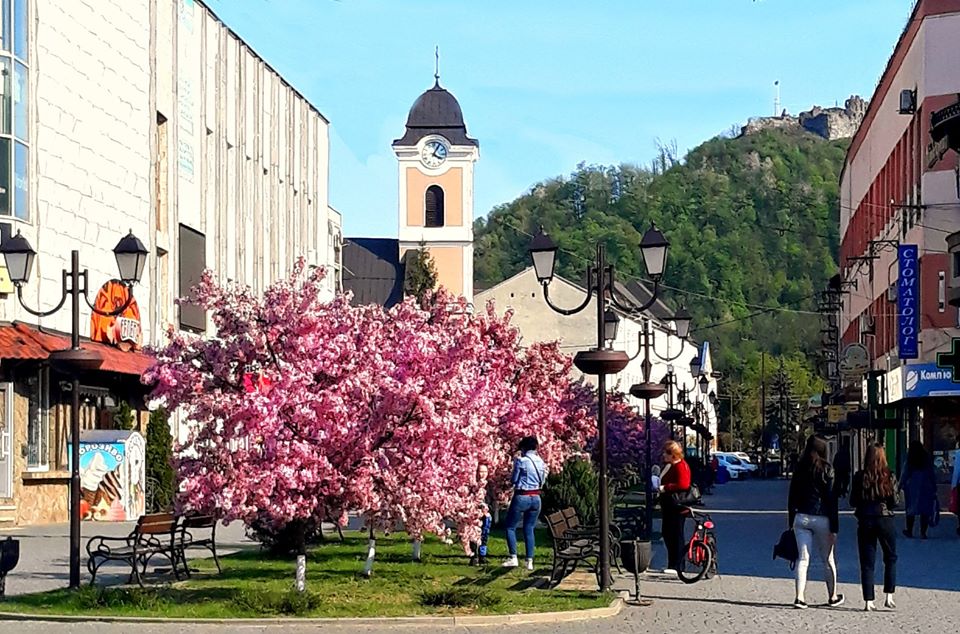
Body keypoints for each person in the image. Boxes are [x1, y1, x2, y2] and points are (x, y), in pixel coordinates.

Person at [787, 435, 844, 609]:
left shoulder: (800, 468)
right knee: (828, 559)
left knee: (803, 559)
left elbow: (792, 496)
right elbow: (831, 499)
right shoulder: (827, 469)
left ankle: (799, 597)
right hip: (822, 518)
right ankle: (832, 596)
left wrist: (791, 520)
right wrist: (834, 527)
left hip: (801, 517)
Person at [850, 443, 898, 611]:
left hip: (865, 520)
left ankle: (868, 600)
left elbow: (852, 501)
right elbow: (895, 502)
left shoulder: (859, 477)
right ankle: (889, 595)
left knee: (867, 561)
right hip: (885, 519)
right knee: (890, 557)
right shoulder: (889, 475)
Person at [502, 436, 547, 570]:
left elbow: (514, 480)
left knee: (510, 526)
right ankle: (530, 560)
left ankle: (513, 557)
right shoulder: (541, 461)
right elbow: (543, 480)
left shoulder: (521, 461)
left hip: (522, 496)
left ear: (523, 447)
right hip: (536, 498)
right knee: (529, 528)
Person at [658, 440, 691, 575]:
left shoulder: (680, 466)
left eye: (666, 453)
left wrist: (665, 488)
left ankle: (678, 565)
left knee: (676, 535)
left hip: (677, 506)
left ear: (673, 455)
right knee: (667, 533)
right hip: (669, 506)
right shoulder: (670, 465)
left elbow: (683, 484)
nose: (663, 455)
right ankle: (672, 563)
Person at [899, 442, 937, 539]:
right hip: (926, 485)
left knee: (910, 508)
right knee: (925, 510)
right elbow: (931, 472)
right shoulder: (926, 458)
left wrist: (900, 485)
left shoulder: (910, 458)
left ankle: (909, 530)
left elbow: (905, 472)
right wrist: (934, 485)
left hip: (912, 486)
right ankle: (923, 532)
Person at [469, 464, 492, 566]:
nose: (483, 474)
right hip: (474, 513)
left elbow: (491, 499)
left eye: (485, 472)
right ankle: (474, 556)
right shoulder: (473, 485)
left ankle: (483, 556)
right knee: (473, 534)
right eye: (481, 471)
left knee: (484, 535)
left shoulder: (489, 486)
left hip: (486, 514)